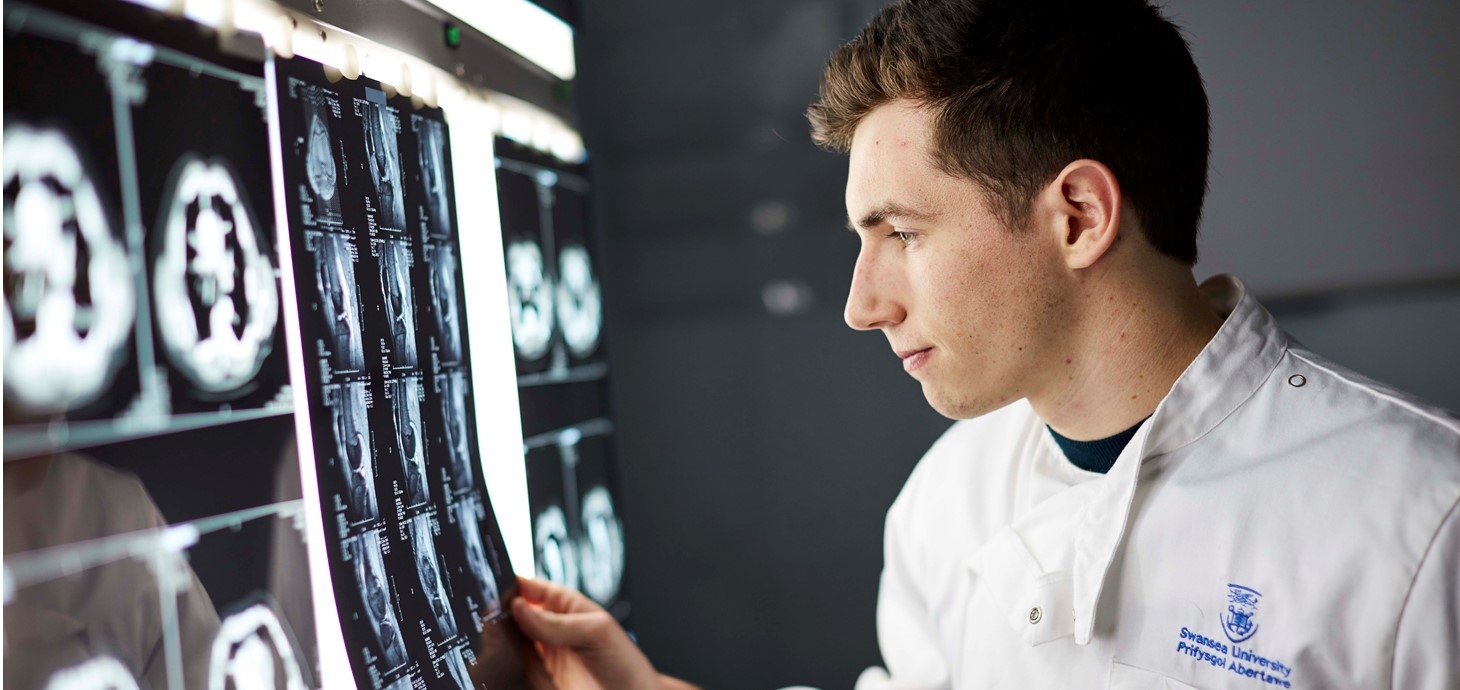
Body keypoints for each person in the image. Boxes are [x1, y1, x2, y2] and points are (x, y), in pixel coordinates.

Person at [509, 0, 1460, 687]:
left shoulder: (1424, 527)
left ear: (1079, 215)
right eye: (861, 242)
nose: (861, 305)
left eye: (903, 235)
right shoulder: (950, 497)